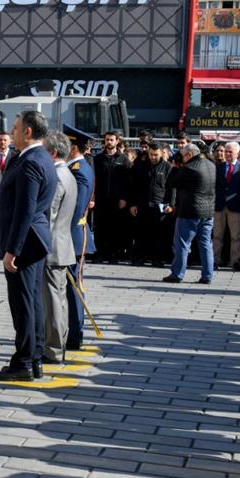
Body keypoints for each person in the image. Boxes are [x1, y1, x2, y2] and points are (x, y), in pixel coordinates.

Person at [0, 110, 57, 382]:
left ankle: (24, 362)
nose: (12, 133)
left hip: (25, 243)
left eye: (16, 129)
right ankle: (34, 357)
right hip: (32, 240)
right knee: (31, 302)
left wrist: (13, 249)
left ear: (27, 132)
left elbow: (26, 210)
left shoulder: (31, 161)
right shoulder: (39, 157)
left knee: (23, 304)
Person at [42, 132, 78, 367]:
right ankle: (58, 344)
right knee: (60, 301)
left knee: (53, 302)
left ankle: (53, 349)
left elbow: (49, 216)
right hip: (63, 246)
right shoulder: (68, 174)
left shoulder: (56, 176)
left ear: (53, 153)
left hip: (52, 248)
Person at [62, 126, 96, 351]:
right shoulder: (76, 167)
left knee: (74, 287)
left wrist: (61, 231)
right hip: (72, 235)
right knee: (70, 286)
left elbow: (77, 207)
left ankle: (75, 334)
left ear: (73, 147)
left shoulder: (79, 169)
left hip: (73, 236)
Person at [164, 143, 216, 285]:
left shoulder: (189, 168)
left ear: (190, 155)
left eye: (183, 155)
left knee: (182, 244)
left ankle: (177, 274)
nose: (181, 158)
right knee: (206, 245)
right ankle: (207, 275)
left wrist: (174, 167)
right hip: (208, 211)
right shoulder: (211, 165)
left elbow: (172, 183)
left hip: (190, 212)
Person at [212, 141, 240, 271]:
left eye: (230, 151)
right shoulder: (218, 167)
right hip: (219, 206)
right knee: (217, 235)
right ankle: (215, 260)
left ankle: (235, 261)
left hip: (236, 207)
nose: (227, 154)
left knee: (236, 236)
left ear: (237, 153)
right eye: (226, 151)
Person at [130, 143, 171, 265]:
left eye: (156, 155)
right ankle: (140, 257)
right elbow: (133, 187)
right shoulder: (140, 166)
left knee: (158, 234)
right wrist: (133, 204)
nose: (153, 157)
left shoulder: (167, 167)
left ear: (161, 154)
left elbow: (171, 188)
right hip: (143, 204)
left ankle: (157, 259)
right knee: (141, 233)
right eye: (151, 154)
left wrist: (171, 204)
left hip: (160, 205)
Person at [93, 130, 130, 263]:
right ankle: (101, 252)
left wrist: (124, 198)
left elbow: (128, 181)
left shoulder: (124, 159)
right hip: (101, 199)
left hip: (117, 200)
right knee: (100, 227)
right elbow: (94, 179)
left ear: (117, 141)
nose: (108, 142)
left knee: (115, 228)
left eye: (111, 140)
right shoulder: (97, 159)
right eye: (107, 139)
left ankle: (113, 254)